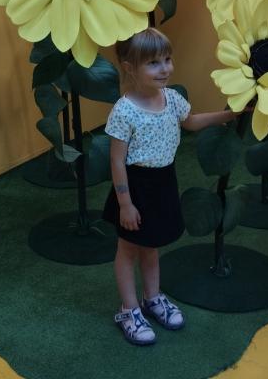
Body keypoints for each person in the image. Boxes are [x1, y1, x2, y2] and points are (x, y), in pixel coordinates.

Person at [102, 27, 239, 345]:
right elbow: (117, 161)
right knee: (128, 249)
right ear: (129, 68)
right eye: (153, 63)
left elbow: (191, 121)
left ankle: (152, 298)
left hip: (163, 182)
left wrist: (227, 115)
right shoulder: (124, 111)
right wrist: (125, 204)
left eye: (167, 59)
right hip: (135, 188)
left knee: (152, 245)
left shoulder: (172, 98)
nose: (165, 68)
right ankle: (129, 309)